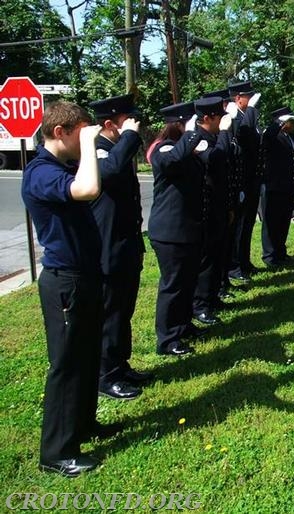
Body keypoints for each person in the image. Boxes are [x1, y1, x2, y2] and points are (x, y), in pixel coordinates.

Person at [21, 101, 111, 477]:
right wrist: (90, 143)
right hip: (64, 281)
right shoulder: (40, 172)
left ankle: (82, 425)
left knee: (88, 355)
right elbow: (89, 188)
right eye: (81, 132)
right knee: (67, 364)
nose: (87, 139)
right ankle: (56, 452)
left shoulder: (58, 166)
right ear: (61, 132)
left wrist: (90, 140)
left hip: (84, 275)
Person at [87, 94, 150, 401]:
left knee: (124, 310)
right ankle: (105, 374)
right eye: (128, 121)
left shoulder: (115, 149)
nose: (135, 125)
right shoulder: (97, 150)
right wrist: (128, 137)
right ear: (110, 124)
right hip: (107, 246)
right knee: (110, 312)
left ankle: (120, 364)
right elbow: (109, 172)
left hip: (126, 242)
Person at [148, 101, 206, 357]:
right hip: (170, 231)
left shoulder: (184, 149)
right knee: (172, 286)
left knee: (188, 281)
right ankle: (167, 338)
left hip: (189, 227)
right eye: (189, 124)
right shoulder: (164, 148)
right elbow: (170, 162)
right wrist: (192, 134)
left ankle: (183, 325)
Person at [191, 97, 234, 326]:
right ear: (207, 118)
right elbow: (217, 159)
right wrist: (225, 134)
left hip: (219, 205)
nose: (222, 122)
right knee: (207, 259)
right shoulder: (201, 139)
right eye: (219, 118)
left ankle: (212, 296)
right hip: (207, 208)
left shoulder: (213, 137)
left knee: (218, 255)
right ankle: (200, 305)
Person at [227, 81, 260, 282]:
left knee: (247, 224)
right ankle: (235, 265)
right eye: (247, 96)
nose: (250, 99)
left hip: (251, 177)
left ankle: (244, 261)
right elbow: (243, 135)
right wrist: (251, 111)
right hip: (240, 179)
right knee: (237, 227)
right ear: (238, 98)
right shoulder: (234, 118)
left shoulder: (248, 116)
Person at [261, 106, 294, 266]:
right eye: (289, 120)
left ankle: (280, 252)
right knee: (272, 222)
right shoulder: (272, 135)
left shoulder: (291, 137)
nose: (292, 123)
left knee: (284, 221)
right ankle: (270, 256)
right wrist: (277, 123)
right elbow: (267, 138)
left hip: (288, 186)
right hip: (274, 185)